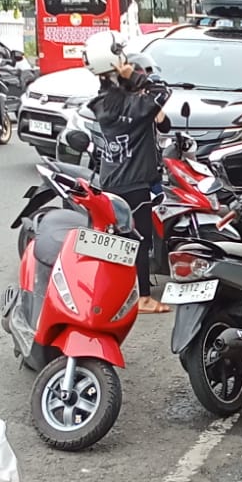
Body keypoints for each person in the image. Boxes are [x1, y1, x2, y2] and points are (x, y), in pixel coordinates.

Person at [86, 31, 171, 314]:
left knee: (119, 240)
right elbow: (163, 92)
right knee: (139, 240)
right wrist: (134, 77)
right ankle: (143, 297)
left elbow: (163, 122)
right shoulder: (132, 105)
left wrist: (129, 83)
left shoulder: (105, 102)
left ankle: (113, 293)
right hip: (133, 181)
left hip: (112, 178)